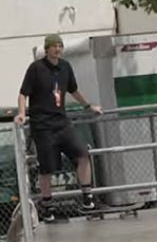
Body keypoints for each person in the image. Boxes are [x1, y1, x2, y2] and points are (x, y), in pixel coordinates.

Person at [15, 34, 102, 222]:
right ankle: (47, 206)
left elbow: (73, 90)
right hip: (43, 125)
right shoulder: (36, 68)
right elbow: (23, 94)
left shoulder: (65, 67)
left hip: (62, 123)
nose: (57, 49)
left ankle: (87, 197)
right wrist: (22, 113)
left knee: (82, 154)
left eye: (59, 46)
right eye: (53, 46)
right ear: (47, 49)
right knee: (47, 168)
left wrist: (88, 106)